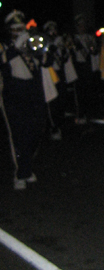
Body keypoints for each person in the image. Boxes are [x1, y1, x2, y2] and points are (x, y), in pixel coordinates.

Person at [0, 10, 57, 190]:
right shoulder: (3, 45)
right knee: (17, 135)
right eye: (15, 28)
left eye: (21, 27)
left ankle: (25, 166)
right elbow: (2, 62)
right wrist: (16, 47)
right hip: (13, 92)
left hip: (34, 91)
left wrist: (43, 47)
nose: (19, 31)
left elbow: (47, 62)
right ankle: (21, 173)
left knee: (36, 131)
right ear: (10, 30)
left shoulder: (31, 43)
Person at [43, 20, 78, 140]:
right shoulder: (45, 45)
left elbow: (64, 60)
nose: (53, 32)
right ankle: (54, 127)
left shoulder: (59, 42)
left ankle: (61, 123)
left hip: (60, 74)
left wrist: (63, 49)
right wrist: (51, 49)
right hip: (51, 75)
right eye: (51, 31)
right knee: (53, 101)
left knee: (61, 98)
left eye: (54, 30)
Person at [70, 13, 100, 125]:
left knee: (89, 91)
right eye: (80, 25)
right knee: (79, 92)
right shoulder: (73, 38)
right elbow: (71, 52)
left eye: (83, 25)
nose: (82, 27)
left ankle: (89, 114)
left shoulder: (89, 37)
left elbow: (94, 51)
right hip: (78, 66)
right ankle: (80, 114)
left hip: (88, 65)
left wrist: (92, 47)